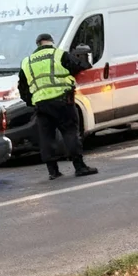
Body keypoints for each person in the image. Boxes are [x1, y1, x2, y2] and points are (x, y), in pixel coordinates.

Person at [17, 33, 99, 180]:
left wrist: (32, 101)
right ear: (51, 42)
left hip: (41, 105)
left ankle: (53, 171)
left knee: (46, 137)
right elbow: (78, 66)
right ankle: (79, 167)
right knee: (70, 132)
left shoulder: (27, 62)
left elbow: (23, 88)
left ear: (38, 44)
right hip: (62, 101)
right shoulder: (59, 54)